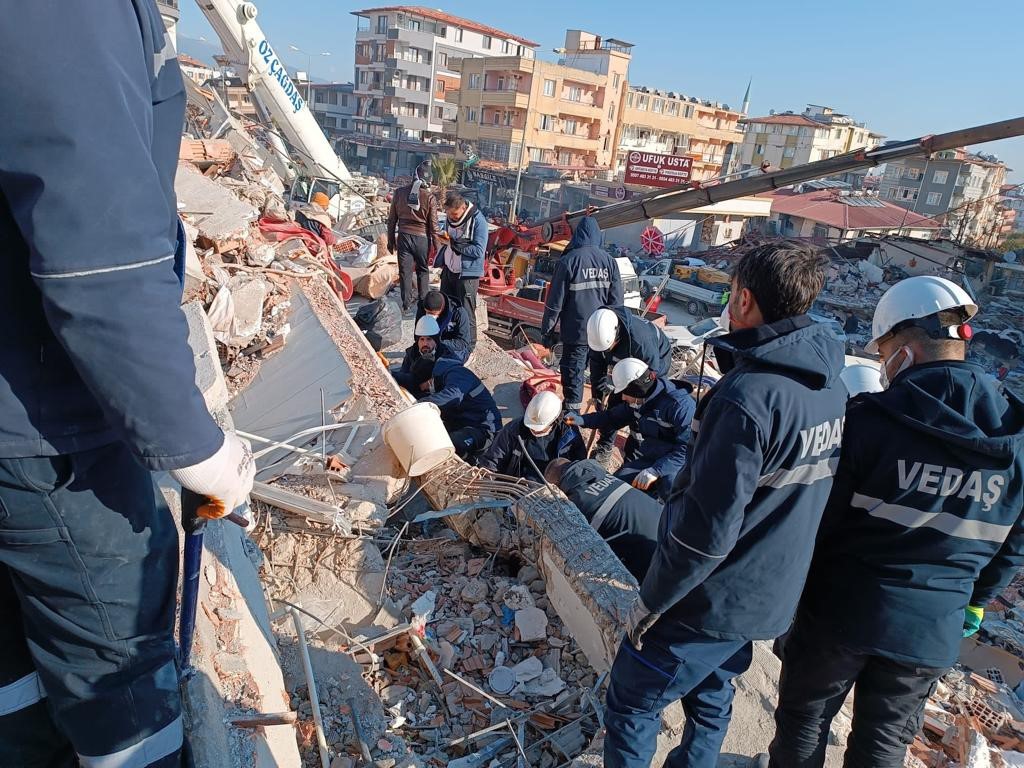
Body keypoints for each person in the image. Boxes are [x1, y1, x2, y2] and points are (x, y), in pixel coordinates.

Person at [0, 5, 255, 766]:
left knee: (17, 674)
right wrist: (192, 444)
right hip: (45, 432)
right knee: (123, 697)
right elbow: (101, 259)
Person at [601, 242, 847, 768]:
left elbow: (704, 531)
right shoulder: (830, 389)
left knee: (630, 702)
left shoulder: (746, 398)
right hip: (767, 595)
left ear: (744, 300)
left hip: (709, 598)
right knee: (711, 697)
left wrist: (653, 600)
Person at [767, 276, 1024, 768]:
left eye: (883, 350)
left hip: (841, 613)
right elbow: (1014, 544)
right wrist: (977, 600)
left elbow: (821, 521)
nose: (882, 365)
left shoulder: (870, 420)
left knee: (803, 726)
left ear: (904, 347)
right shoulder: (1015, 436)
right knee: (881, 745)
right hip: (932, 628)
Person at [565, 358, 694, 501]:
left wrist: (657, 470)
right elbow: (612, 417)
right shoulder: (641, 402)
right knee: (616, 484)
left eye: (625, 392)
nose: (623, 397)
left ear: (637, 388)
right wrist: (582, 420)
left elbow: (688, 449)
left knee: (670, 493)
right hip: (651, 458)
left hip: (677, 465)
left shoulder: (680, 406)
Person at [541, 216, 622, 412]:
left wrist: (547, 331)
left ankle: (571, 422)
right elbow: (617, 304)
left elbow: (554, 303)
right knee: (599, 380)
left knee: (573, 377)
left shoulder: (568, 261)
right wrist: (615, 336)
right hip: (602, 337)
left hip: (576, 335)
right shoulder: (610, 263)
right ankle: (601, 418)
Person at [545, 458, 660, 582]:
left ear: (556, 487)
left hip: (654, 560)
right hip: (670, 526)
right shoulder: (604, 475)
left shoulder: (575, 504)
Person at [587, 307, 674, 462]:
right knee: (613, 405)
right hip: (627, 362)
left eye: (610, 347)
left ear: (616, 333)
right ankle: (605, 447)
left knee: (640, 407)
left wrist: (633, 398)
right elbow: (596, 365)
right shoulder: (598, 335)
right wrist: (598, 395)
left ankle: (637, 453)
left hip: (654, 362)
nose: (608, 350)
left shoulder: (641, 343)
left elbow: (648, 382)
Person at [409, 354, 501, 460]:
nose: (425, 389)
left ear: (430, 379)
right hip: (462, 425)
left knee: (448, 444)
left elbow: (453, 395)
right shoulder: (443, 379)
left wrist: (418, 405)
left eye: (423, 386)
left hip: (485, 430)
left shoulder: (457, 374)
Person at [479, 391, 585, 481]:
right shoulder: (513, 430)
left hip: (557, 487)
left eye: (539, 427)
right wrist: (487, 478)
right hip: (522, 486)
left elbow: (580, 464)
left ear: (554, 420)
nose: (533, 429)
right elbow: (493, 461)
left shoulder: (569, 431)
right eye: (532, 426)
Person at [386, 160, 440, 312]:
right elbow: (434, 227)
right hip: (422, 240)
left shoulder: (399, 193)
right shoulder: (430, 198)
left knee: (405, 272)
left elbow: (392, 221)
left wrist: (391, 242)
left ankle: (406, 303)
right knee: (423, 271)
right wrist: (438, 249)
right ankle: (423, 303)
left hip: (404, 237)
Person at [440, 191, 489, 347]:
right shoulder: (449, 219)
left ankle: (470, 344)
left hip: (467, 274)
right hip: (449, 270)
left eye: (454, 214)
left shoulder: (478, 221)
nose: (452, 217)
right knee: (447, 307)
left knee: (466, 311)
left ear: (462, 207)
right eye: (449, 214)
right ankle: (448, 339)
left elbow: (478, 251)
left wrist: (454, 244)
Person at [393, 315, 454, 392]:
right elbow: (404, 376)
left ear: (436, 341)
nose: (425, 344)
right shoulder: (411, 353)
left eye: (429, 339)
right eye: (422, 339)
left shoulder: (447, 356)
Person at [416, 289, 473, 362]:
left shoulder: (458, 312)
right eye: (427, 312)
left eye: (432, 313)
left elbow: (463, 342)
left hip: (452, 346)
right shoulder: (422, 307)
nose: (429, 316)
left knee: (448, 361)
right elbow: (417, 335)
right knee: (416, 358)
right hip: (431, 343)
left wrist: (438, 342)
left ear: (442, 309)